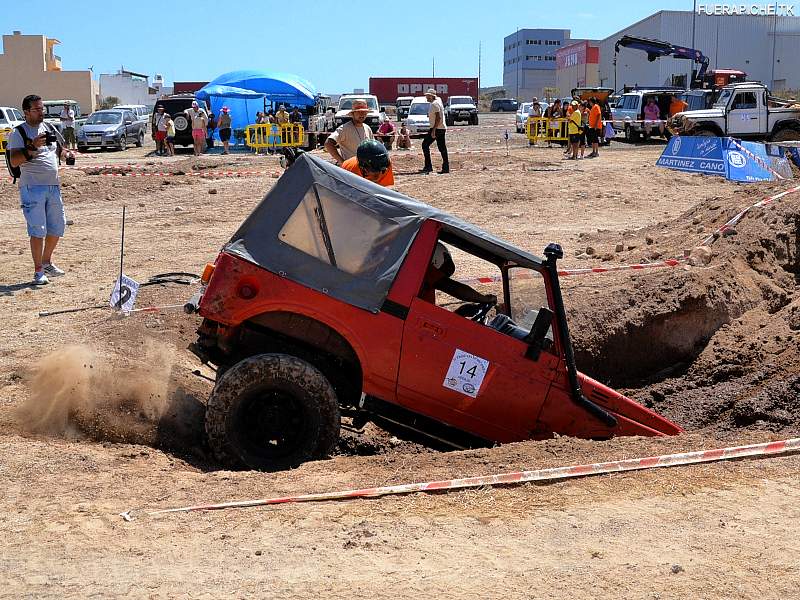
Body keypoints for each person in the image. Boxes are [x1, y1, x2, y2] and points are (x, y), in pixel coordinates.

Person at [7, 94, 75, 285]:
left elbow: (58, 151)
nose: (41, 112)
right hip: (32, 187)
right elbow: (14, 161)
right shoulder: (18, 133)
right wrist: (32, 146)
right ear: (26, 112)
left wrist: (66, 154)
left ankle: (46, 262)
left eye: (42, 108)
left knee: (57, 226)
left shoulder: (49, 128)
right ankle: (38, 271)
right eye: (36, 109)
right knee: (38, 230)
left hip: (53, 186)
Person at [421, 242, 496, 308]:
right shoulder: (427, 271)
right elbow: (455, 288)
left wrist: (460, 312)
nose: (441, 275)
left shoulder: (424, 277)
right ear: (435, 261)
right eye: (441, 273)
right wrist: (484, 299)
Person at [324, 99, 374, 164]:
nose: (362, 114)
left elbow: (373, 147)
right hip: (350, 170)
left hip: (366, 169)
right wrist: (342, 162)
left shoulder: (367, 128)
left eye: (364, 112)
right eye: (359, 112)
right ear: (353, 114)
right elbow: (328, 143)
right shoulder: (344, 128)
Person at [422, 88, 449, 174]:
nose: (426, 97)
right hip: (440, 128)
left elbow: (438, 118)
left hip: (437, 128)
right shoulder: (437, 102)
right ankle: (445, 168)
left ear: (431, 96)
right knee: (442, 148)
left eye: (427, 96)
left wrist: (433, 130)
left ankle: (428, 166)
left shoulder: (434, 104)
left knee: (425, 144)